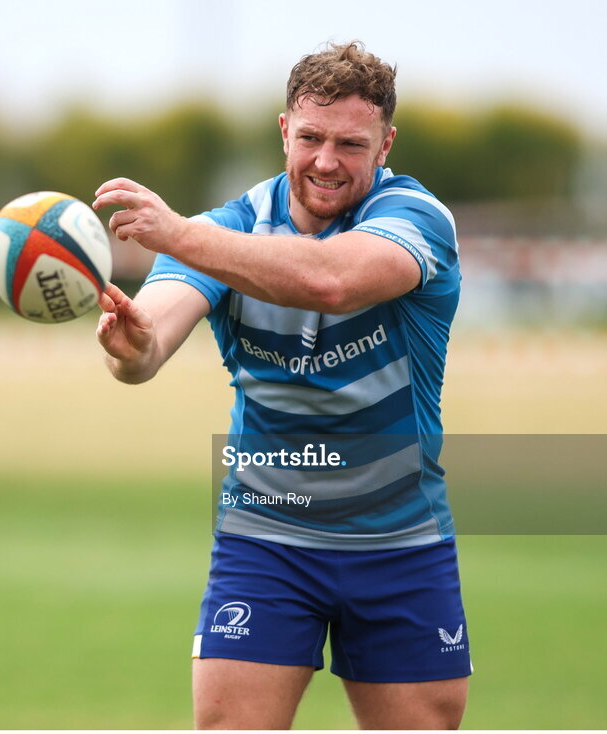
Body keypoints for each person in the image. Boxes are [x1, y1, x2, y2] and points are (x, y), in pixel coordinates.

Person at [92, 41, 468, 730]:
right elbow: (148, 345)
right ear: (284, 132)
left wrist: (177, 234)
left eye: (351, 144)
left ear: (386, 145)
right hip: (265, 537)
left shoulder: (415, 219)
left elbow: (333, 280)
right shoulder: (225, 231)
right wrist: (134, 348)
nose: (326, 161)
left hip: (399, 541)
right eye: (311, 138)